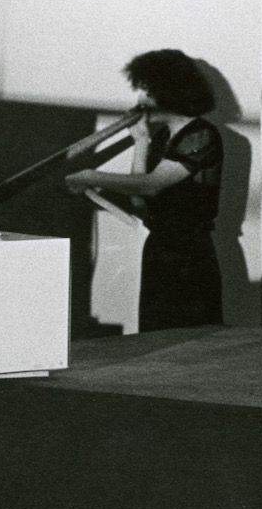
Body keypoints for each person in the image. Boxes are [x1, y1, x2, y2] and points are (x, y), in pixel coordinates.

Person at [65, 49, 224, 331]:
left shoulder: (201, 134)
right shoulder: (163, 136)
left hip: (189, 253)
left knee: (189, 339)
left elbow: (151, 186)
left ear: (169, 92)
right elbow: (140, 198)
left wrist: (92, 174)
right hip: (160, 248)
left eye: (147, 91)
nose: (140, 100)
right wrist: (140, 141)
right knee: (155, 335)